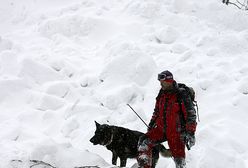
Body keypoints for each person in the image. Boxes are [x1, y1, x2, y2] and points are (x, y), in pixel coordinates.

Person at [137, 70, 197, 168]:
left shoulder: (181, 94)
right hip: (161, 129)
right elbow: (157, 111)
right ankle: (145, 166)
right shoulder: (162, 93)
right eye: (160, 82)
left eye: (162, 82)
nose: (161, 84)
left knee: (179, 162)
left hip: (176, 133)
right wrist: (151, 125)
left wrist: (190, 133)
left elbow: (191, 115)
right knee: (144, 142)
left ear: (169, 80)